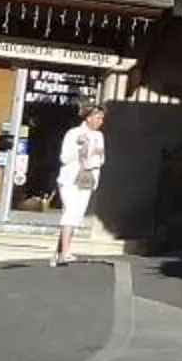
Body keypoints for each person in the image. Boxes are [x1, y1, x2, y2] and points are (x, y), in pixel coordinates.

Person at [54, 103, 108, 265]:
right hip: (70, 178)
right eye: (98, 118)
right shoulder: (74, 133)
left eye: (102, 119)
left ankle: (61, 251)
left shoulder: (99, 136)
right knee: (70, 212)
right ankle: (64, 252)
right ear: (88, 117)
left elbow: (101, 158)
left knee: (76, 215)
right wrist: (79, 148)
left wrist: (93, 160)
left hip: (87, 179)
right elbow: (64, 158)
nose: (101, 122)